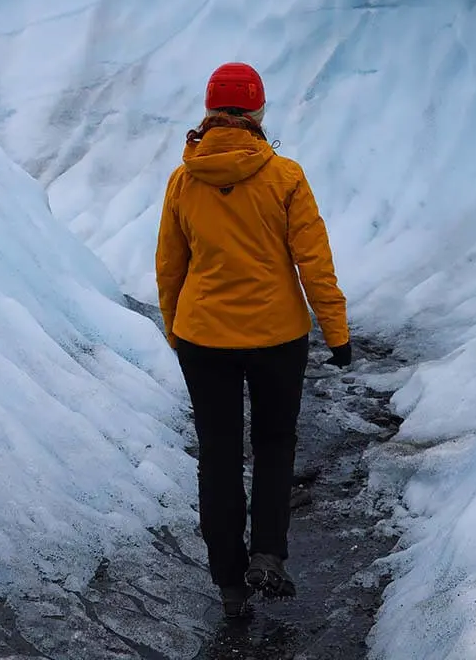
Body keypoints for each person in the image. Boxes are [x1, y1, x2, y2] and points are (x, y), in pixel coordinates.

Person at [155, 62, 351, 619]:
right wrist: (336, 333)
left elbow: (170, 267)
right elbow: (314, 261)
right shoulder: (284, 176)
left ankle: (229, 584)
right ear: (259, 111)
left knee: (217, 457)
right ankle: (268, 552)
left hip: (203, 338)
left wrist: (177, 330)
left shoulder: (183, 179)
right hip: (277, 337)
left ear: (209, 110)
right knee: (272, 445)